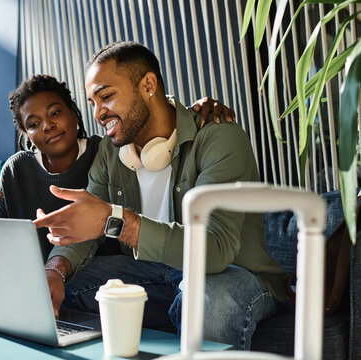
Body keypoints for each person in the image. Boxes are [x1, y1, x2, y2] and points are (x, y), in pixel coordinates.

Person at [34, 41, 288, 350]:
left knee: (211, 300)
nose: (99, 113)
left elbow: (217, 250)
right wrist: (55, 269)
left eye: (107, 97)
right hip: (154, 274)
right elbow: (85, 232)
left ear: (148, 85)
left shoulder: (218, 136)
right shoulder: (110, 153)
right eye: (92, 103)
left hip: (233, 273)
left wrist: (118, 222)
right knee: (49, 286)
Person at [0, 74, 232, 264]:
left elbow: (159, 118)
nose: (47, 126)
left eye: (55, 113)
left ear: (74, 115)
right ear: (26, 135)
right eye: (33, 123)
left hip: (105, 274)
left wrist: (195, 111)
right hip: (36, 276)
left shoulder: (107, 152)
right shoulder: (16, 169)